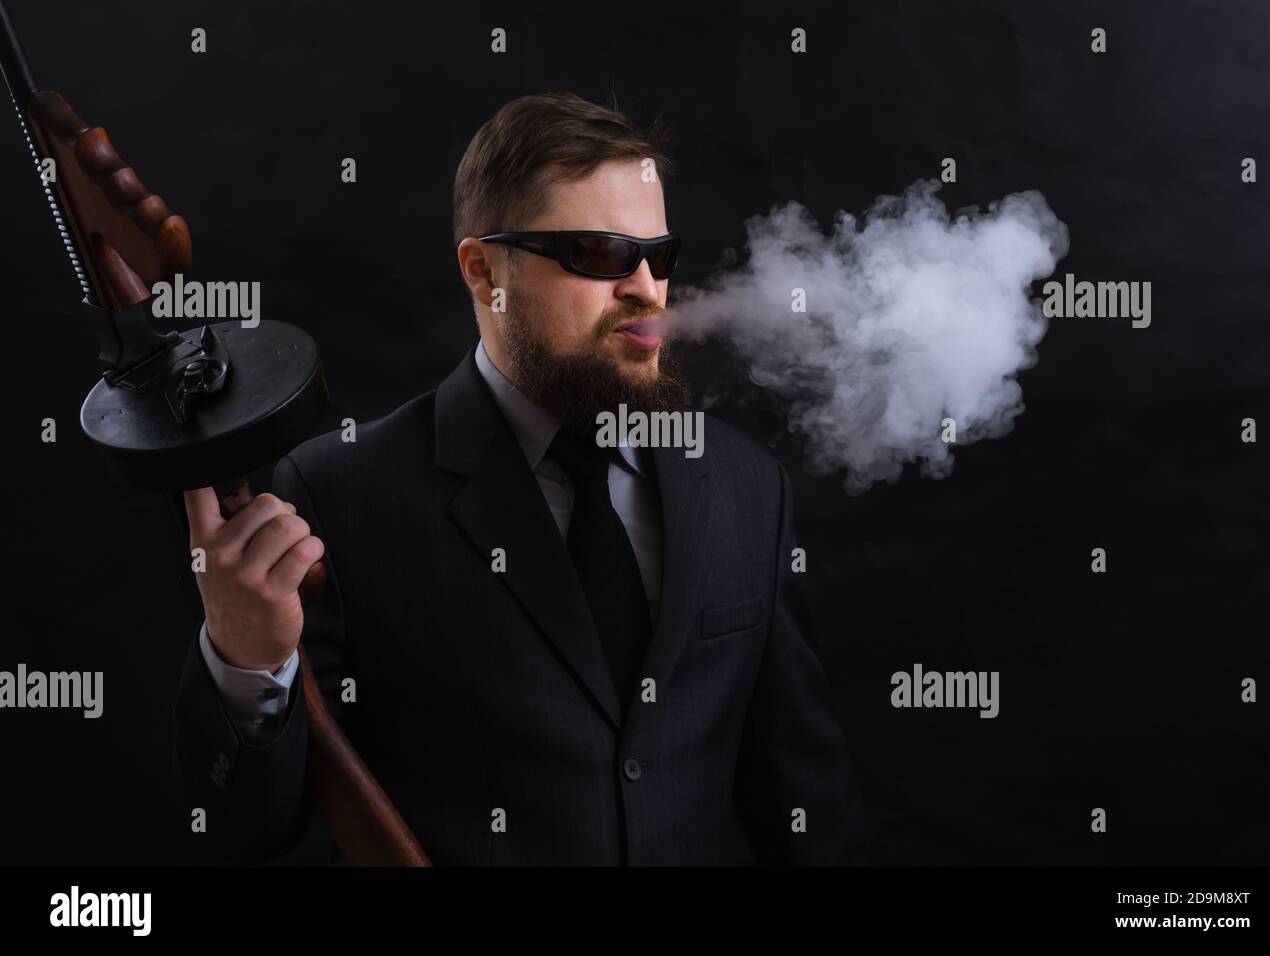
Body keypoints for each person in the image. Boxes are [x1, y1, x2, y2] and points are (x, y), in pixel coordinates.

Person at [172, 91, 868, 865]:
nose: (646, 289)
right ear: (483, 271)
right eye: (601, 254)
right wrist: (245, 663)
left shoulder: (745, 486)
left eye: (658, 256)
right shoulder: (343, 491)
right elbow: (257, 827)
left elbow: (808, 808)